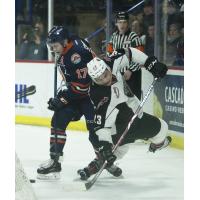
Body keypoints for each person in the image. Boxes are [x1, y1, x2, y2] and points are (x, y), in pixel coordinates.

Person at [77, 47, 171, 180]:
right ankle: (102, 159)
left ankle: (102, 161)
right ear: (93, 79)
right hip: (121, 125)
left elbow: (129, 52)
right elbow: (102, 126)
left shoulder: (112, 62)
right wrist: (105, 145)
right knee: (160, 129)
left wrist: (150, 62)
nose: (105, 80)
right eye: (99, 79)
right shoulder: (100, 95)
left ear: (106, 67)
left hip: (134, 116)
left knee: (159, 129)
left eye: (105, 74)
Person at [36, 26, 98, 180]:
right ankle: (55, 161)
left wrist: (61, 99)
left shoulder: (75, 55)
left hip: (92, 95)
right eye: (51, 45)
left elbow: (84, 86)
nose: (52, 49)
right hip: (76, 94)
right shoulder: (69, 43)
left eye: (55, 45)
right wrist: (61, 99)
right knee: (58, 119)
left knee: (95, 131)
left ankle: (103, 158)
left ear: (64, 42)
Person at [107, 11, 144, 100]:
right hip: (118, 75)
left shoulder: (134, 37)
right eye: (120, 22)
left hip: (133, 74)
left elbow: (140, 56)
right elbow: (109, 54)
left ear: (128, 23)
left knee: (134, 101)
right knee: (121, 102)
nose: (122, 25)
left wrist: (130, 70)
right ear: (116, 23)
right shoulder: (113, 37)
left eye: (124, 22)